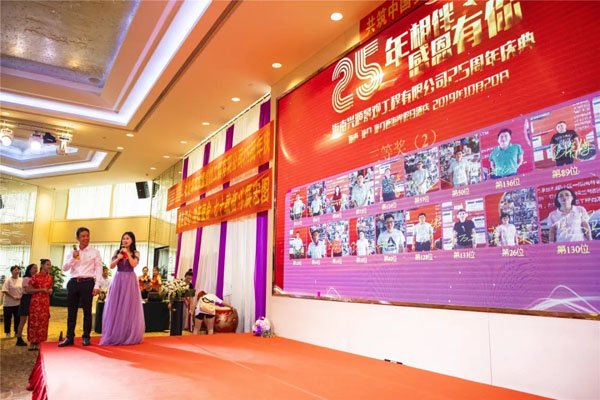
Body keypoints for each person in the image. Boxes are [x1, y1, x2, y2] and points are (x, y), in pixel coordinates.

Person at [59, 227, 103, 347]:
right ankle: (69, 337)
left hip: (88, 283)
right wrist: (73, 258)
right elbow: (65, 268)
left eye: (87, 236)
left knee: (87, 311)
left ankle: (86, 337)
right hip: (73, 283)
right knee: (71, 312)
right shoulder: (71, 252)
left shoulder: (95, 252)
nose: (86, 238)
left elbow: (99, 269)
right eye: (83, 236)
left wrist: (97, 285)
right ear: (77, 238)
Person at [100, 232, 145, 346]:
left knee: (129, 307)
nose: (125, 240)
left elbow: (134, 264)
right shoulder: (117, 252)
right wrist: (118, 258)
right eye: (123, 238)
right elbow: (111, 266)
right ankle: (115, 334)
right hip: (118, 279)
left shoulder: (136, 252)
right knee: (117, 305)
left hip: (130, 280)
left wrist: (127, 254)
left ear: (132, 240)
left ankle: (128, 334)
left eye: (127, 238)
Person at [27, 259, 53, 351]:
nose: (49, 266)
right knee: (34, 321)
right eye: (47, 264)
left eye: (50, 264)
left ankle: (40, 342)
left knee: (43, 322)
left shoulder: (50, 277)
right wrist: (41, 290)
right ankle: (32, 342)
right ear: (42, 265)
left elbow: (50, 288)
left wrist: (50, 291)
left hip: (45, 302)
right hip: (35, 302)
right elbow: (28, 290)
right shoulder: (35, 276)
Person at [16, 264, 38, 347]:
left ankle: (34, 338)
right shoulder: (26, 279)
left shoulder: (35, 278)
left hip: (34, 299)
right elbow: (28, 290)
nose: (36, 269)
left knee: (34, 320)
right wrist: (41, 290)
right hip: (26, 299)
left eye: (36, 268)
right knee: (23, 320)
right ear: (29, 269)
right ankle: (19, 338)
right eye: (34, 268)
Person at [2, 266, 22, 339]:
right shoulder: (8, 280)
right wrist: (13, 297)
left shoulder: (21, 280)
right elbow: (4, 290)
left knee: (17, 319)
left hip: (18, 303)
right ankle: (7, 332)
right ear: (11, 271)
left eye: (18, 270)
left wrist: (20, 296)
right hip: (8, 304)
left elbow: (23, 290)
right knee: (7, 319)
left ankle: (16, 332)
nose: (17, 271)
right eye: (15, 270)